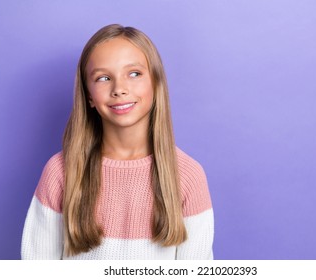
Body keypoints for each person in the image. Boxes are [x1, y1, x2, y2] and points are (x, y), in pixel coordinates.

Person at [21, 24, 214, 259]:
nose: (119, 89)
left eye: (134, 73)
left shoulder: (188, 176)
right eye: (103, 78)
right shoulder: (60, 171)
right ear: (89, 95)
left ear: (155, 82)